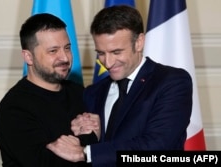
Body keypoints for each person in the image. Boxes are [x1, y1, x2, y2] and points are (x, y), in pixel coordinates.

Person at [48, 5, 193, 167]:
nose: (108, 63)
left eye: (116, 52)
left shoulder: (171, 81)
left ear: (139, 42)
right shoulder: (93, 93)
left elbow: (158, 145)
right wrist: (83, 130)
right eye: (101, 53)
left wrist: (85, 152)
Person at [0, 13, 100, 167]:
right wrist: (91, 138)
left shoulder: (79, 92)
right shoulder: (14, 108)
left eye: (67, 48)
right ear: (28, 57)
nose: (65, 58)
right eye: (53, 51)